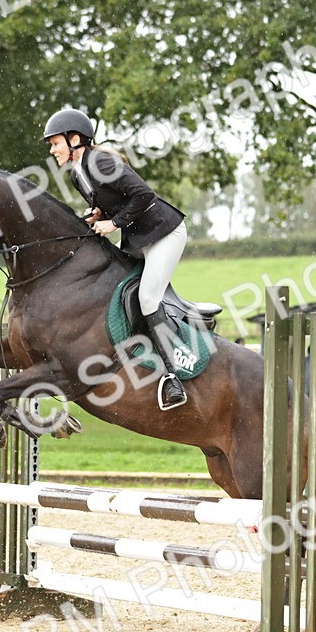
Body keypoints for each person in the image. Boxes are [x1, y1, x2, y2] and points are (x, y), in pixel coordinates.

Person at [43, 108, 189, 411]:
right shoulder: (76, 173)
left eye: (55, 143)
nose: (52, 149)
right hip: (139, 238)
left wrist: (113, 224)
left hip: (164, 233)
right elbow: (110, 202)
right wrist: (100, 215)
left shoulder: (101, 161)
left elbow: (143, 195)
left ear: (74, 139)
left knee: (148, 298)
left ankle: (173, 377)